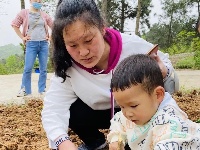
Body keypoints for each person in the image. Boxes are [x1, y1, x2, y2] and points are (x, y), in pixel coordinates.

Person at [41, 0, 179, 150]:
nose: (83, 52)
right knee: (71, 109)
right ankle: (95, 143)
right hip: (97, 114)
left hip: (133, 113)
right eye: (73, 45)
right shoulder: (67, 65)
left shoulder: (134, 47)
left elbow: (171, 85)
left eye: (88, 40)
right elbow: (53, 109)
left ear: (102, 28)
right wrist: (63, 143)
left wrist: (164, 73)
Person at [107, 54, 200, 150]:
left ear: (158, 94)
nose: (127, 113)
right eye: (122, 106)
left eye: (134, 106)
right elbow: (119, 120)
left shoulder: (170, 123)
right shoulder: (134, 112)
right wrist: (116, 139)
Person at [11, 0, 53, 97]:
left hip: (43, 44)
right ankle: (25, 90)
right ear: (30, 1)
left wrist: (50, 37)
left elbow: (54, 26)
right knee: (28, 68)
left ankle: (42, 89)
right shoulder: (24, 13)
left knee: (43, 69)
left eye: (39, 0)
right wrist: (23, 37)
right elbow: (14, 24)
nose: (38, 1)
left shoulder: (44, 15)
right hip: (31, 44)